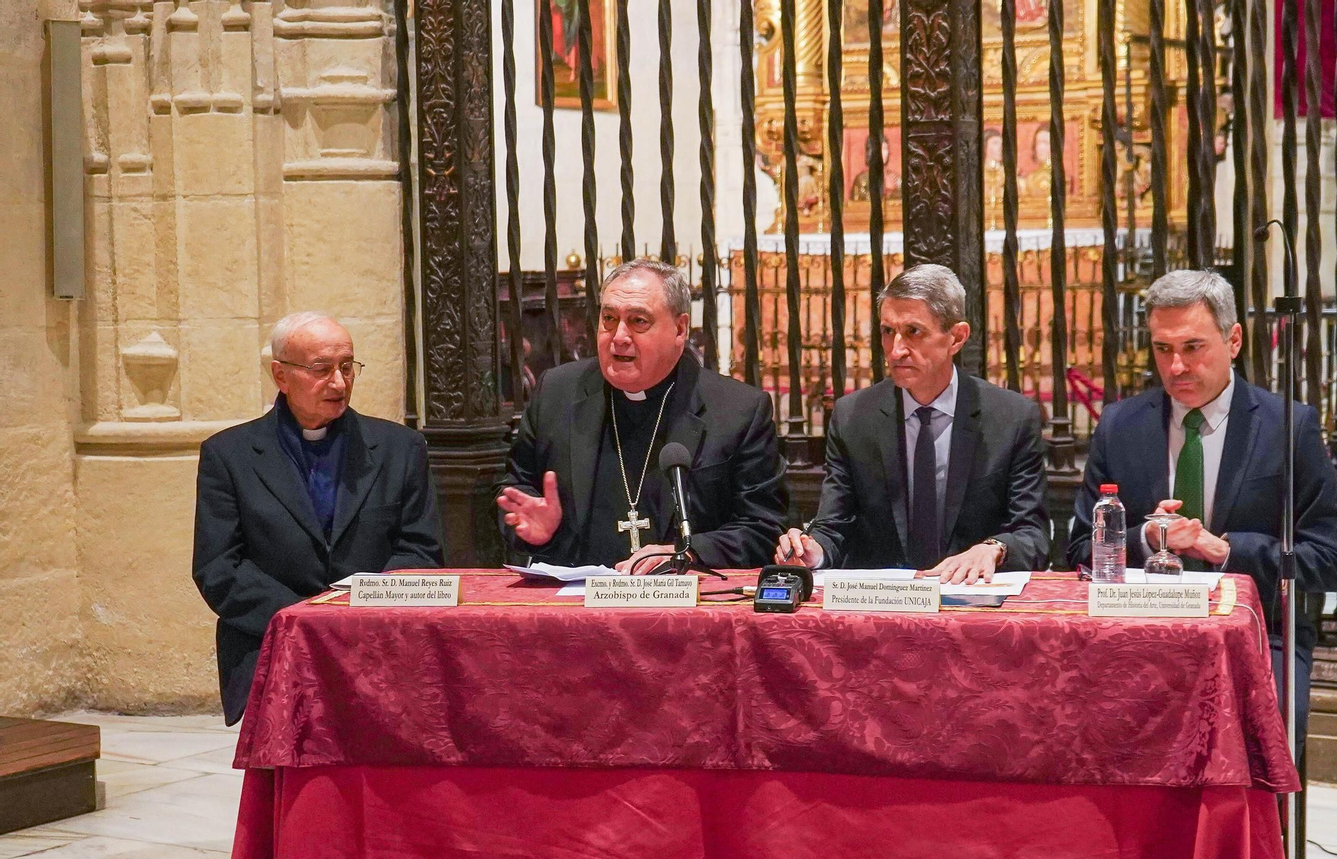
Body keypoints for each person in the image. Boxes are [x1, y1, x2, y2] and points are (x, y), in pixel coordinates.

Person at [1064, 269, 1337, 742]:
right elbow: (1077, 552)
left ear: (1233, 340)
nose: (1176, 366)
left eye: (1193, 347)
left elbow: (1332, 560)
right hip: (1139, 629)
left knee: (1265, 732)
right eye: (1163, 349)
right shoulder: (1120, 426)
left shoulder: (1287, 426)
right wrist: (1146, 538)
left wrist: (1226, 550)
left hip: (1257, 631)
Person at [193, 312, 444, 725]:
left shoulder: (400, 448)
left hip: (377, 647)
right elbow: (219, 568)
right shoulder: (229, 455)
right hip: (272, 644)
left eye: (347, 367)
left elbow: (421, 550)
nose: (339, 383)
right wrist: (307, 619)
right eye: (321, 369)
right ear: (281, 375)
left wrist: (356, 613)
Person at [498, 258, 786, 573]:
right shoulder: (557, 394)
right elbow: (514, 489)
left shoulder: (737, 410)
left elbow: (765, 527)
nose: (619, 336)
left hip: (683, 599)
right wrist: (536, 531)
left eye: (638, 321)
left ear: (679, 329)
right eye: (609, 319)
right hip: (578, 597)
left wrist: (687, 553)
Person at [775, 263, 1050, 583]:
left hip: (970, 594)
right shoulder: (854, 417)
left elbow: (1033, 535)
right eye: (887, 332)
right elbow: (834, 526)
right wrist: (813, 549)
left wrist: (994, 549)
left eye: (913, 332)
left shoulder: (1011, 418)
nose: (896, 350)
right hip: (882, 600)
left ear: (957, 337)